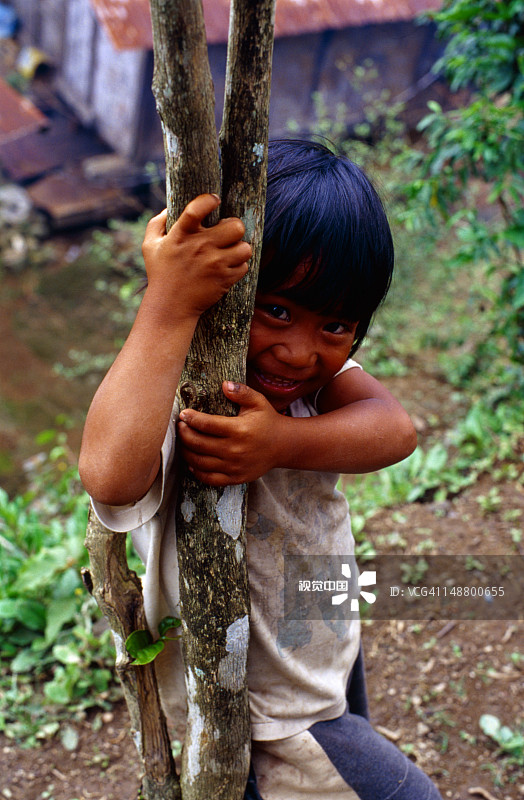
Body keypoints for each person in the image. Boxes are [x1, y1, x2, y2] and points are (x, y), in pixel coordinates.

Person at [79, 139, 441, 799]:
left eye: (335, 326)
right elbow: (108, 475)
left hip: (318, 640)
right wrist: (168, 306)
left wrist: (280, 442)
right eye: (275, 310)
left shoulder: (300, 387)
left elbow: (396, 428)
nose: (300, 351)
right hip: (266, 706)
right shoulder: (189, 393)